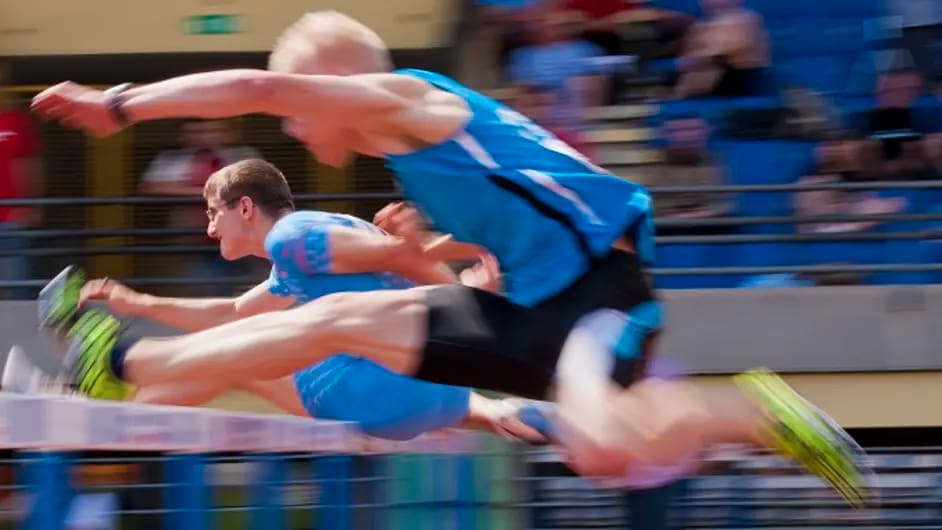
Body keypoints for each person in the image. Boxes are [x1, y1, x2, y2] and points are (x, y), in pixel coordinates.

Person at [32, 10, 868, 504]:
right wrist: (441, 251)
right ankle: (124, 356)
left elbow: (261, 89)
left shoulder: (413, 102)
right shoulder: (420, 158)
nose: (292, 130)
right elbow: (523, 201)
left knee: (604, 449)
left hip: (595, 294)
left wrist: (119, 104)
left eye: (302, 110)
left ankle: (756, 413)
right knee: (332, 319)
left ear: (333, 83)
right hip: (530, 303)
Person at [34, 158, 536, 442]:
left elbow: (400, 255)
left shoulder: (292, 238)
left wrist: (435, 261)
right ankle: (93, 402)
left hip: (390, 392)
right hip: (436, 396)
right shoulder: (301, 250)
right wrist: (139, 301)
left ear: (245, 207)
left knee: (240, 357)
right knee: (240, 346)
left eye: (213, 213)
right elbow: (232, 311)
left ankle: (94, 403)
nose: (209, 227)